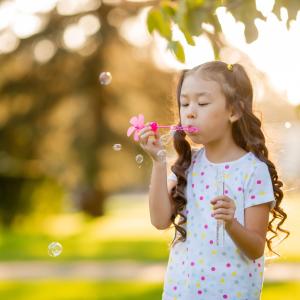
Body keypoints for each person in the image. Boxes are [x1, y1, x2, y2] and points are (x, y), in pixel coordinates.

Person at [137, 61, 289, 300]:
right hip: (181, 293)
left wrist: (231, 224)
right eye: (184, 103)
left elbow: (256, 248)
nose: (190, 111)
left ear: (234, 112)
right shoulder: (188, 164)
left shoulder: (253, 171)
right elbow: (159, 220)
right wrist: (158, 161)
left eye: (203, 102)